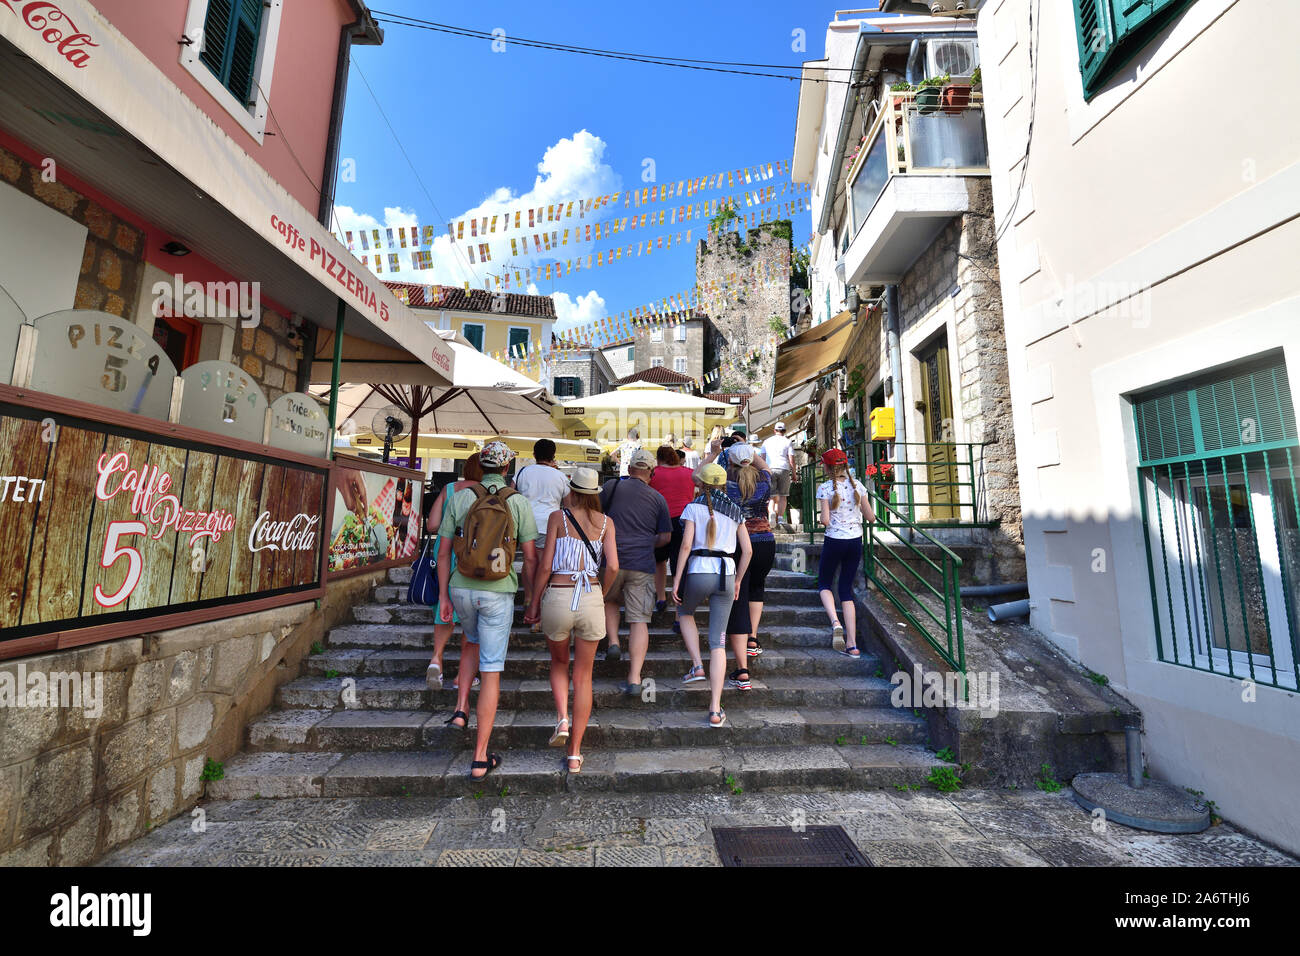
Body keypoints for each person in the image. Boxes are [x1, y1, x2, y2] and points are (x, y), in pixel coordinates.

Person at [437, 440, 538, 779]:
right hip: (498, 590)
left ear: (481, 465)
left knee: (469, 640)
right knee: (491, 671)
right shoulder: (518, 502)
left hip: (461, 585)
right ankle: (480, 757)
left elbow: (443, 550)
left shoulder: (462, 497)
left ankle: (460, 709)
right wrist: (531, 598)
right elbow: (531, 557)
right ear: (508, 467)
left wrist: (443, 596)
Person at [524, 467, 617, 774]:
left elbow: (545, 565)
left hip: (560, 596)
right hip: (590, 595)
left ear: (572, 491)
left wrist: (534, 602)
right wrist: (600, 593)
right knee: (584, 677)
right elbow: (613, 566)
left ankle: (562, 716)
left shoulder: (557, 518)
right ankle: (575, 754)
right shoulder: (606, 523)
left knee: (559, 664)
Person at [673, 463, 752, 728]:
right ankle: (715, 709)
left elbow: (685, 546)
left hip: (698, 571)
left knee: (684, 612)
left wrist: (676, 581)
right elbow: (748, 551)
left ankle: (696, 665)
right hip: (726, 575)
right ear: (723, 485)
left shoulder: (693, 507)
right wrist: (739, 579)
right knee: (718, 642)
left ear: (701, 484)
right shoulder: (736, 511)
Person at [600, 448, 670, 692]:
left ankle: (613, 641)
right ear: (651, 472)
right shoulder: (658, 498)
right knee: (639, 620)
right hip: (642, 563)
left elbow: (596, 517)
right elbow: (665, 537)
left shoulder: (611, 488)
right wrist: (646, 542)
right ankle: (634, 678)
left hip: (612, 560)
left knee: (609, 601)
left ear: (629, 469)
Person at [424, 453, 483, 691]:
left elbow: (432, 525)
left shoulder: (450, 489)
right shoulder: (487, 492)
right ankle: (462, 675)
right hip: (473, 555)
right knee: (472, 616)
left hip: (445, 553)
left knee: (444, 608)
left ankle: (436, 658)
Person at [722, 442, 776, 678]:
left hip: (737, 542)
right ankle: (752, 637)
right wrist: (750, 453)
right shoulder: (764, 479)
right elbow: (766, 466)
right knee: (757, 588)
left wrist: (721, 454)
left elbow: (700, 476)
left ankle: (740, 658)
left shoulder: (725, 481)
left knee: (738, 594)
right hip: (765, 540)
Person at [815, 449, 872, 658]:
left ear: (828, 467)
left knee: (824, 584)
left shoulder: (824, 488)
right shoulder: (858, 486)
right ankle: (852, 644)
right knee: (846, 591)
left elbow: (825, 521)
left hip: (834, 540)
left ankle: (835, 622)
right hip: (855, 541)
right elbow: (871, 517)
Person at [513, 438, 571, 630]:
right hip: (549, 525)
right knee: (543, 566)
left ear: (534, 454)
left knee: (530, 563)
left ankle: (529, 599)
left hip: (525, 523)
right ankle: (538, 609)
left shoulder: (522, 472)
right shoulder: (560, 477)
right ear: (553, 455)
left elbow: (511, 493)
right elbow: (569, 506)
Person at [649, 444, 694, 612]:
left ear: (659, 458)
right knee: (679, 564)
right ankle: (678, 612)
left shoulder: (653, 474)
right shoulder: (689, 473)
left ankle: (660, 598)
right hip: (684, 520)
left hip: (660, 521)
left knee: (659, 561)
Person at [761, 422, 796, 530]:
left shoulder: (766, 442)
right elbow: (791, 460)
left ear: (774, 430)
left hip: (770, 469)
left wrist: (762, 472)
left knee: (771, 496)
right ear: (785, 431)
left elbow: (762, 459)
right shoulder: (788, 441)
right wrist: (794, 473)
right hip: (784, 468)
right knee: (783, 495)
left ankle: (771, 512)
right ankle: (780, 518)